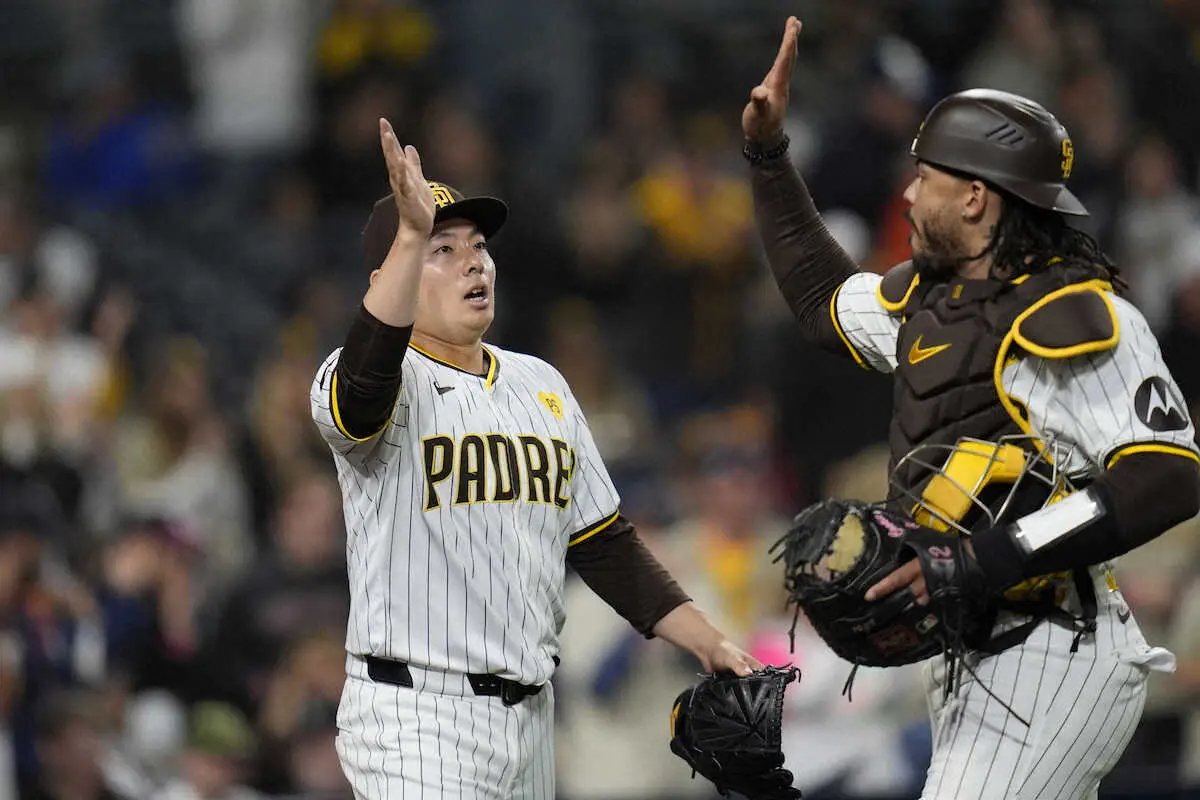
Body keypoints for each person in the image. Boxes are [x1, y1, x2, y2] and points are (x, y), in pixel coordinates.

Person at [744, 17, 1200, 800]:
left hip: (1056, 648)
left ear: (979, 198)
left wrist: (990, 556)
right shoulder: (936, 307)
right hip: (973, 660)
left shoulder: (1080, 314)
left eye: (928, 178)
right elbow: (823, 301)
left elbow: (1167, 476)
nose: (910, 191)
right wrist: (767, 155)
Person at [309, 118, 761, 798]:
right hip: (416, 715)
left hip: (531, 719)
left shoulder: (540, 383)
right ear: (390, 275)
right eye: (443, 248)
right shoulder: (363, 376)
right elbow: (361, 395)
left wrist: (709, 641)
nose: (474, 263)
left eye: (479, 247)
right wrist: (408, 233)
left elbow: (604, 543)